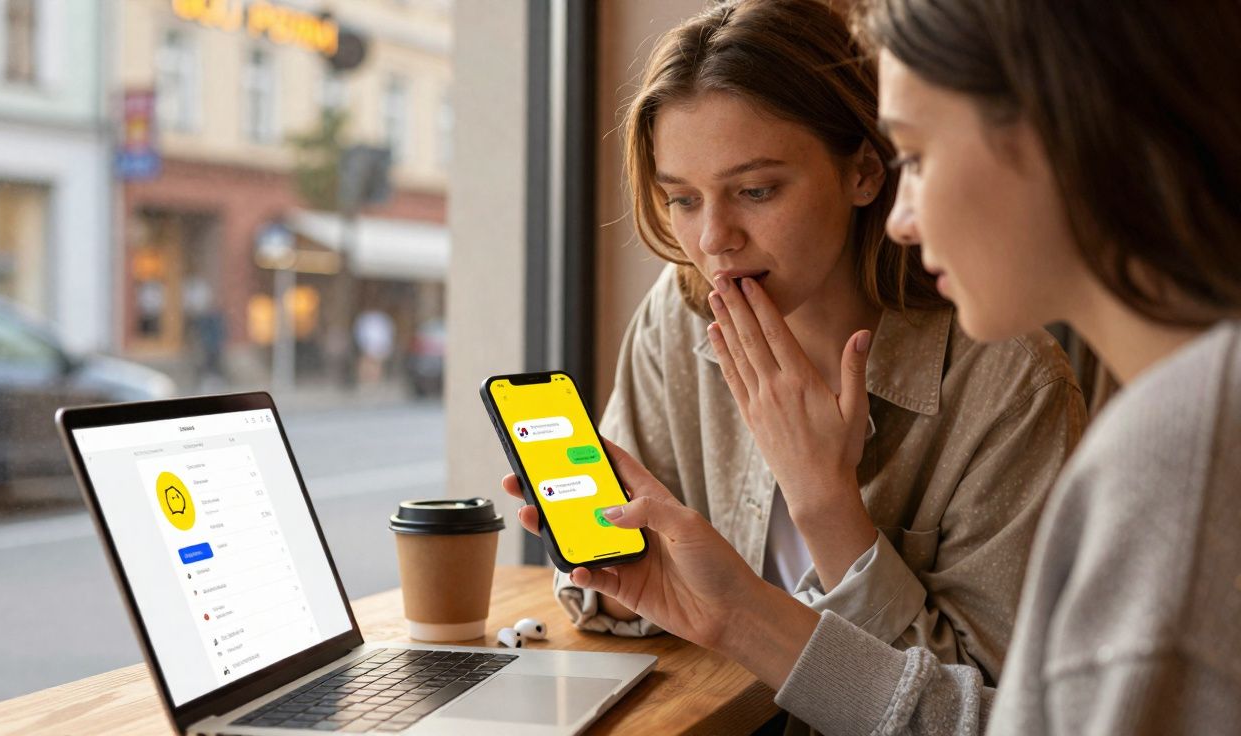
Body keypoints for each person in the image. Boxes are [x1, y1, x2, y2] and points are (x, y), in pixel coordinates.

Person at [505, 0, 1241, 732]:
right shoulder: (684, 314)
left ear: (863, 172)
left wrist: (827, 505)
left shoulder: (1067, 404)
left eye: (757, 191)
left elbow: (990, 703)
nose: (713, 240)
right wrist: (641, 579)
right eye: (681, 200)